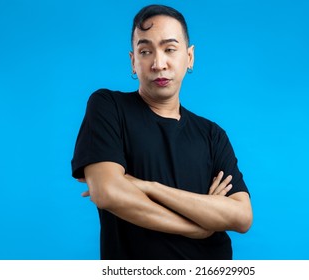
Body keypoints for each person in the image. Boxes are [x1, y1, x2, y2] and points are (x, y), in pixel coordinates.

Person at [71, 4, 253, 260]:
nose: (158, 63)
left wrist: (147, 186)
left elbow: (241, 216)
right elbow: (107, 192)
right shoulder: (108, 107)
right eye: (145, 51)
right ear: (133, 61)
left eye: (170, 49)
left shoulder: (212, 135)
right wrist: (198, 227)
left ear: (189, 57)